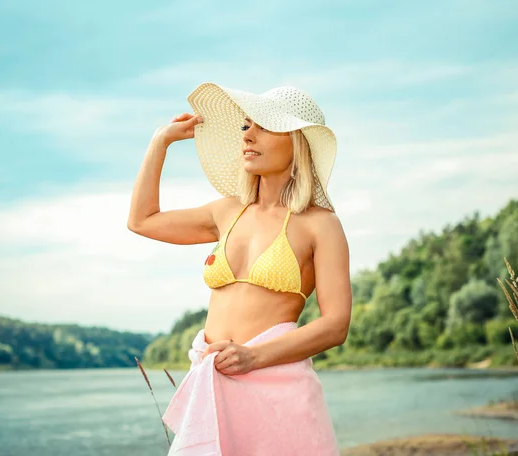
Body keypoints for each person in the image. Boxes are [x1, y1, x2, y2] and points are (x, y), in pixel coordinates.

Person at [127, 82, 351, 455]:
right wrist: (159, 142)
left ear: (297, 141)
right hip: (213, 389)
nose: (248, 134)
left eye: (263, 126)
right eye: (246, 125)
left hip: (278, 388)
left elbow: (336, 324)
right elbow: (142, 220)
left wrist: (253, 357)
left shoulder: (320, 224)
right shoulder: (227, 211)